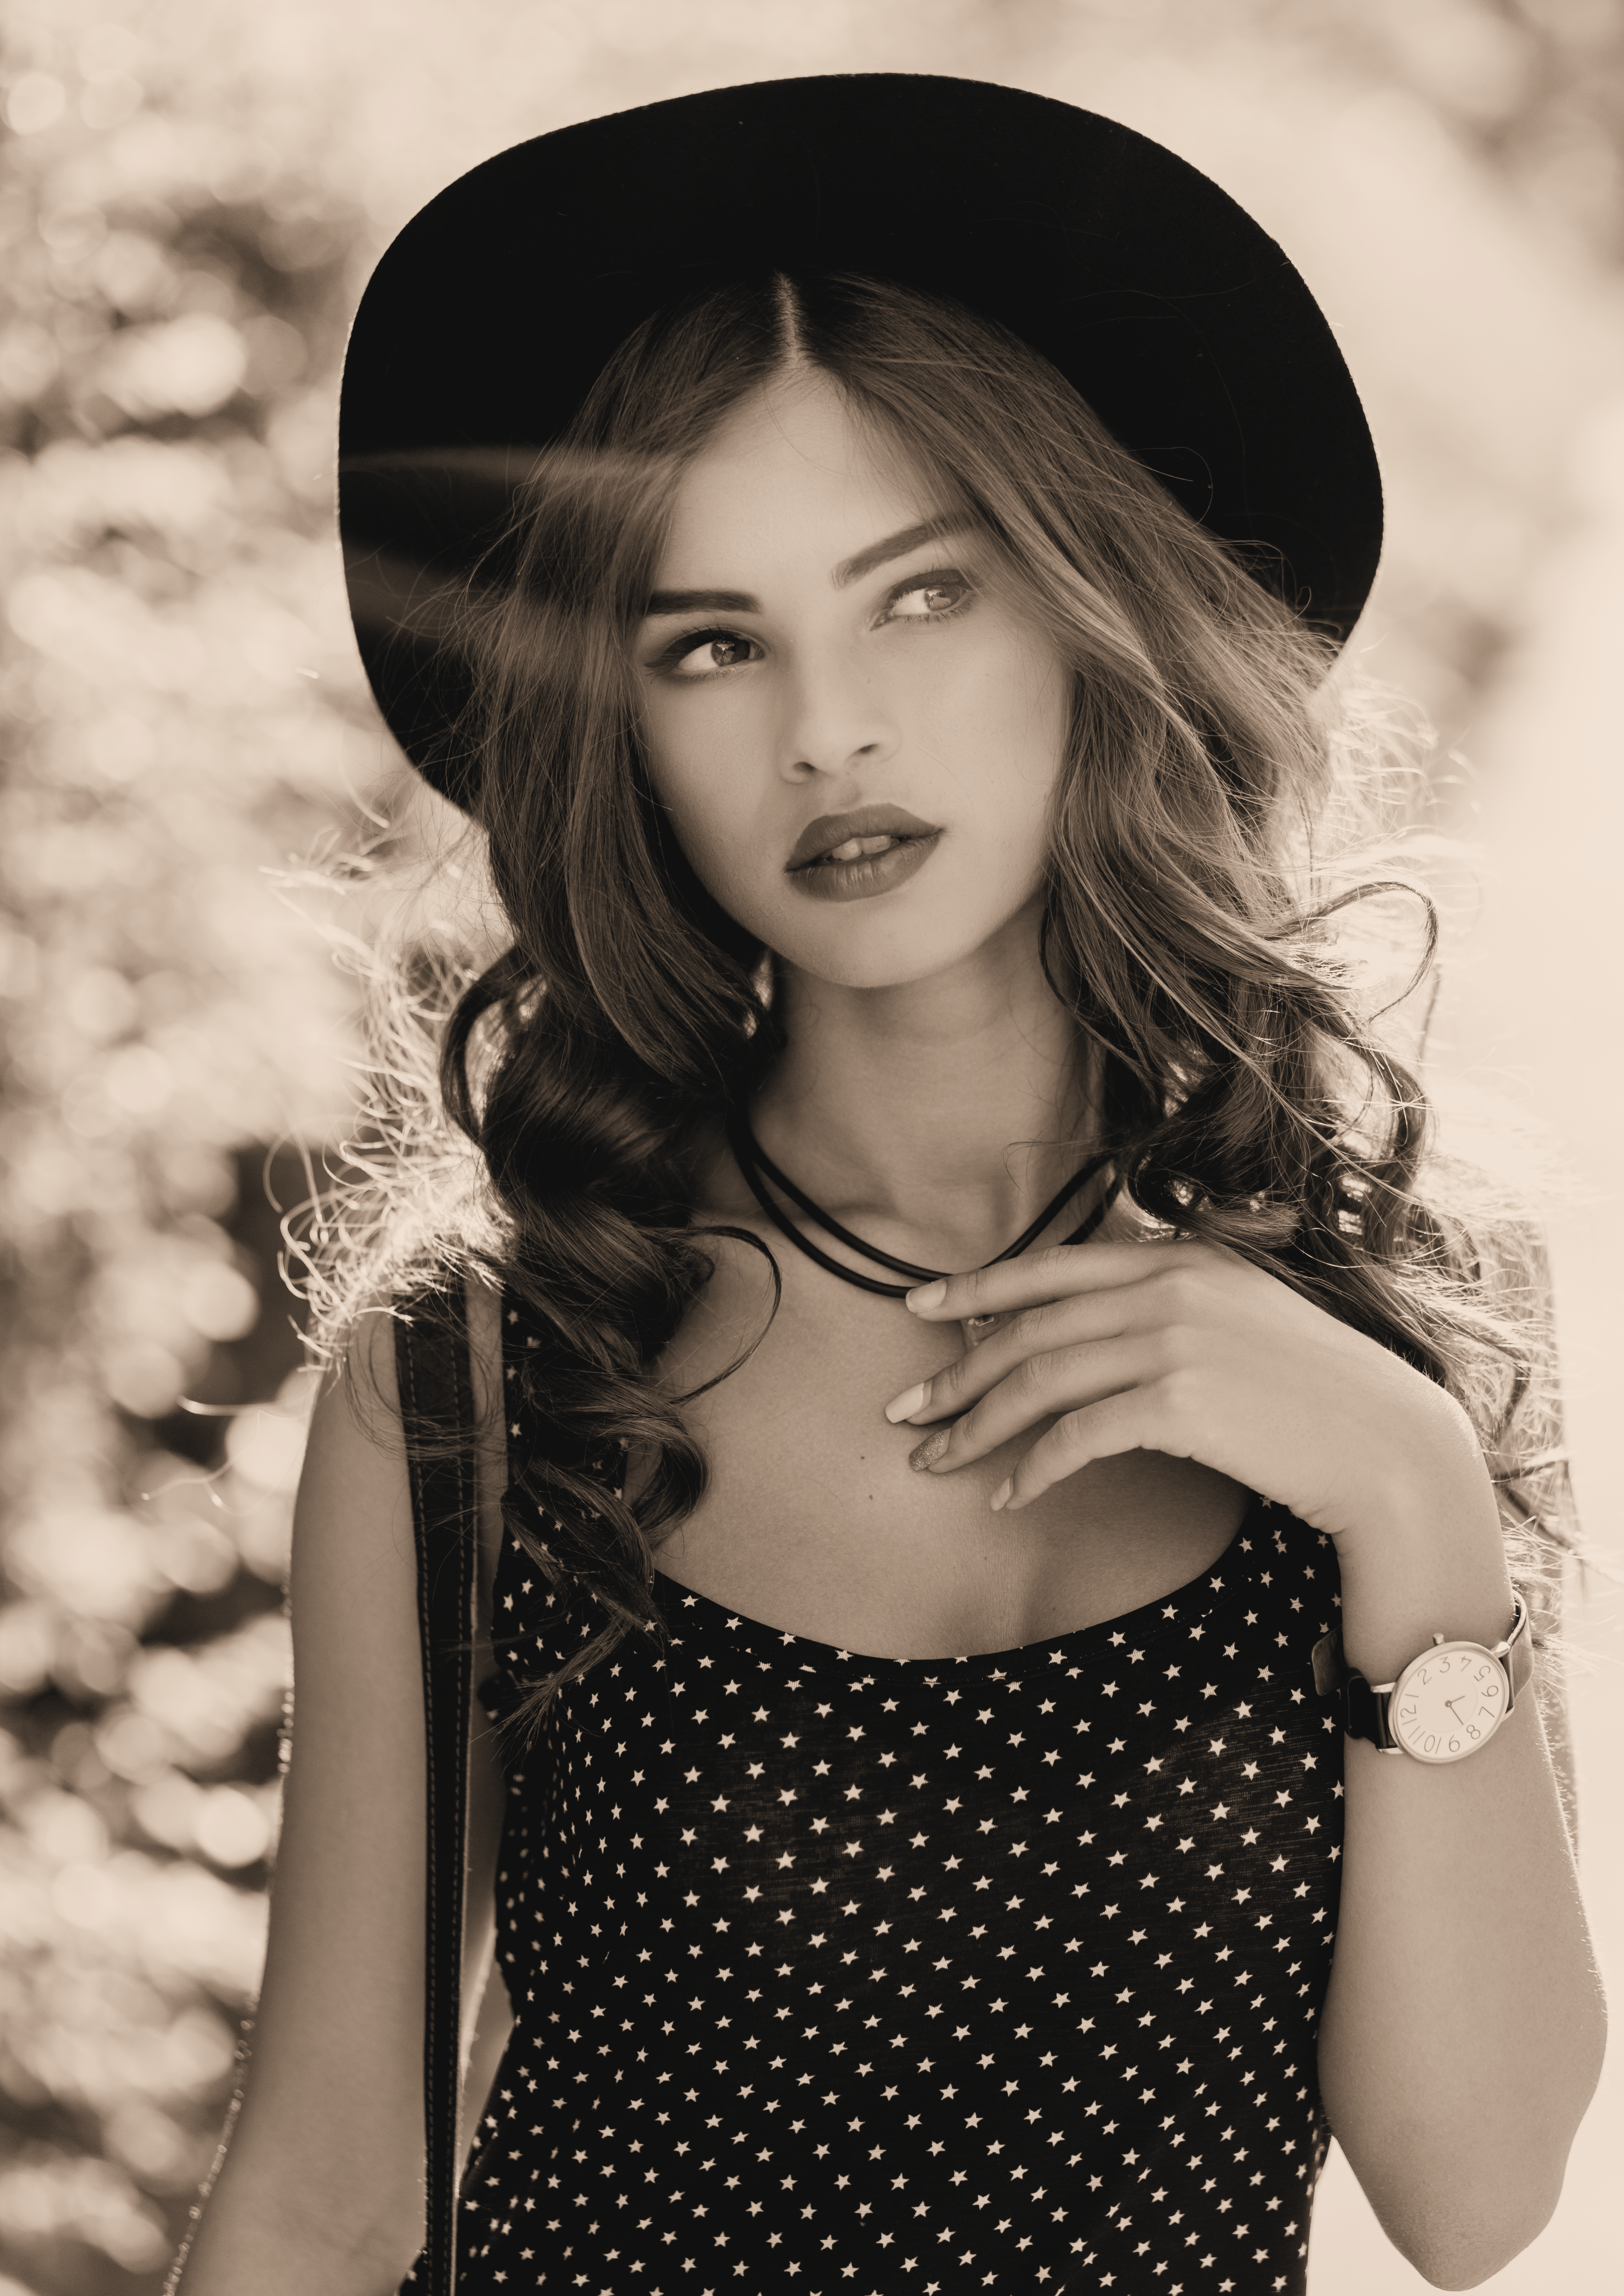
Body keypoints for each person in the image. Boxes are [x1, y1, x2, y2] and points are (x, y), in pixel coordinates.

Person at [170, 75, 1605, 2296]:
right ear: (626, 727)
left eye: (920, 596)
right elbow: (332, 2194)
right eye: (713, 642)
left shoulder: (1390, 1307)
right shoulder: (478, 1366)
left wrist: (1410, 1491)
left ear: (1084, 610)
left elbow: (1479, 2184)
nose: (827, 730)